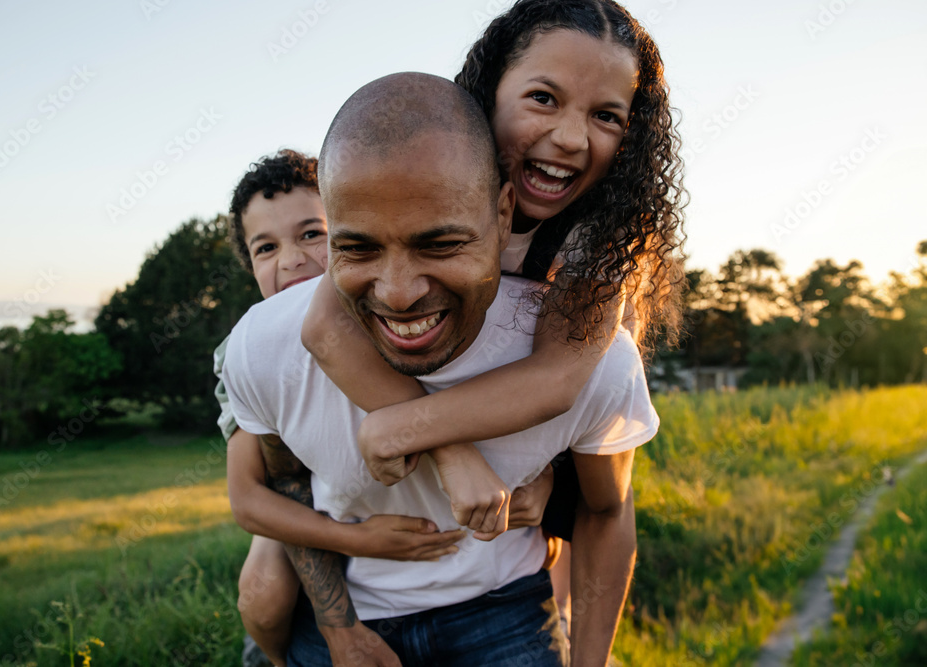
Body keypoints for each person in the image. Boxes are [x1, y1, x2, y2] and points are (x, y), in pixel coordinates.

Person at [223, 72, 660, 666]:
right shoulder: (264, 348)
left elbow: (606, 510)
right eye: (359, 248)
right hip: (353, 611)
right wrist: (340, 630)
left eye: (440, 244)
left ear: (505, 212)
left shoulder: (592, 358)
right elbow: (286, 484)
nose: (399, 294)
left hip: (502, 608)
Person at [299, 0, 685, 636]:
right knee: (265, 587)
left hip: (549, 468)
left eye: (606, 116)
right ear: (486, 93)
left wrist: (400, 430)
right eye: (543, 97)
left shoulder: (599, 239)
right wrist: (446, 449)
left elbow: (558, 380)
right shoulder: (428, 172)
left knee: (578, 515)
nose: (569, 136)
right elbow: (326, 326)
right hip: (405, 516)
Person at [215, 150, 553, 666]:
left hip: (485, 575)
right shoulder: (252, 353)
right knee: (263, 592)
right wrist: (357, 542)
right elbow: (258, 493)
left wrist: (544, 473)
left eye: (312, 235)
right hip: (322, 520)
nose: (291, 260)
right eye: (266, 247)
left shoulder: (417, 314)